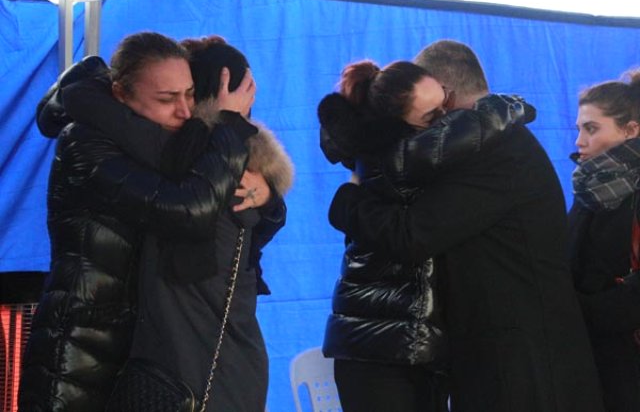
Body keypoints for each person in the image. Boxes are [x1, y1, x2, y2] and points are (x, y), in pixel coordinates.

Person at [327, 39, 605, 412]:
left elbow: (413, 234)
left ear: (446, 96)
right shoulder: (484, 146)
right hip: (498, 356)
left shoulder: (492, 151)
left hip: (524, 365)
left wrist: (348, 200)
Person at [18, 32, 289, 412]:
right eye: (167, 98)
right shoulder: (87, 142)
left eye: (190, 95)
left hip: (140, 355)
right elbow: (187, 211)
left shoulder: (171, 148)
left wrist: (268, 197)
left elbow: (234, 222)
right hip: (82, 349)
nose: (184, 111)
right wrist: (227, 126)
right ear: (119, 94)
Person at [318, 59, 533, 412]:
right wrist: (509, 107)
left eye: (446, 99)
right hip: (379, 352)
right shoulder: (401, 157)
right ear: (398, 125)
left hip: (408, 345)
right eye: (432, 116)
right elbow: (475, 130)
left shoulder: (397, 155)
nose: (447, 118)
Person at [569, 69, 640, 412]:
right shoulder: (589, 189)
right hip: (589, 358)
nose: (579, 142)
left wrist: (570, 308)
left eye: (592, 129)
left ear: (631, 130)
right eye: (579, 129)